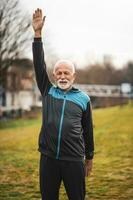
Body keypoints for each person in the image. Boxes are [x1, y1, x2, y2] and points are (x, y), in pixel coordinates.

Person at [32, 8, 94, 200]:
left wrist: (89, 157)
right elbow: (38, 64)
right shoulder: (48, 90)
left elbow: (87, 129)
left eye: (66, 72)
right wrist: (37, 34)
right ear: (53, 76)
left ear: (74, 76)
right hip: (48, 158)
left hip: (74, 160)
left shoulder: (83, 99)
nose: (62, 76)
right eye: (58, 72)